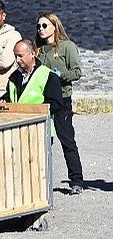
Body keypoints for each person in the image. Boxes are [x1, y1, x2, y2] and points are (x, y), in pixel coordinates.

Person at [0, 39, 83, 194]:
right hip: (18, 125)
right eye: (15, 56)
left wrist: (35, 110)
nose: (17, 60)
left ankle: (63, 184)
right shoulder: (14, 76)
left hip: (40, 126)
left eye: (21, 56)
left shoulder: (47, 75)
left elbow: (56, 103)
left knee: (41, 159)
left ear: (32, 54)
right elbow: (12, 95)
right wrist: (4, 99)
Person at [35, 12, 84, 195]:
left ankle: (76, 180)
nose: (40, 29)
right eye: (38, 26)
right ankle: (41, 182)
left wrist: (57, 76)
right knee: (43, 141)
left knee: (67, 139)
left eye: (45, 25)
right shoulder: (38, 50)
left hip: (62, 100)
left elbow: (77, 72)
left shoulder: (67, 47)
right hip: (42, 101)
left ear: (55, 26)